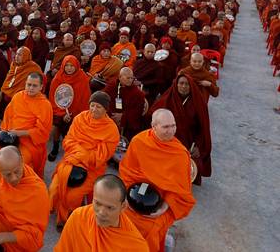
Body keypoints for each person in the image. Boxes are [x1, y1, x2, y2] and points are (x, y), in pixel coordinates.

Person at [120, 109, 196, 252]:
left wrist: (165, 206)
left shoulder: (179, 154)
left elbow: (181, 189)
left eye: (173, 126)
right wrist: (128, 195)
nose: (171, 130)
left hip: (162, 200)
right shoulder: (139, 142)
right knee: (121, 216)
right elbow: (127, 172)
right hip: (135, 194)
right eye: (165, 127)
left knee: (150, 228)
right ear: (153, 127)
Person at [49, 91, 120, 228]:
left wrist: (81, 155)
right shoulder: (80, 118)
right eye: (92, 105)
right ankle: (57, 208)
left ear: (106, 109)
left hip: (92, 168)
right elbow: (68, 140)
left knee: (72, 196)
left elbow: (102, 155)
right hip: (71, 161)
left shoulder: (111, 129)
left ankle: (68, 218)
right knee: (54, 189)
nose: (94, 109)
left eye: (98, 107)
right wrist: (79, 153)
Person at [54, 174, 149, 251]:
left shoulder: (137, 247)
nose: (101, 212)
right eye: (98, 203)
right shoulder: (79, 216)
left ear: (123, 207)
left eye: (110, 207)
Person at [0, 72, 52, 177]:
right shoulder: (18, 97)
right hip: (10, 136)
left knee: (21, 162)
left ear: (41, 87)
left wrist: (19, 133)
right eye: (28, 84)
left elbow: (42, 132)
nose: (30, 88)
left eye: (34, 86)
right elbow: (7, 118)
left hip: (29, 141)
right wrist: (6, 135)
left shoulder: (45, 105)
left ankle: (19, 186)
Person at [150, 74, 212, 185]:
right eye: (181, 83)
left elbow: (203, 128)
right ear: (176, 84)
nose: (184, 86)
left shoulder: (198, 102)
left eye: (187, 84)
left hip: (187, 142)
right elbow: (153, 116)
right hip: (166, 139)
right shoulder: (168, 98)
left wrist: (198, 145)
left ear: (191, 86)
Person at [47, 55, 91, 161]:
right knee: (55, 125)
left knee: (76, 127)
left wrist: (71, 113)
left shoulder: (82, 78)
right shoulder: (58, 78)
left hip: (76, 111)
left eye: (72, 66)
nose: (69, 68)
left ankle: (72, 148)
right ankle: (56, 146)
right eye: (67, 65)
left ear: (76, 66)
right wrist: (62, 114)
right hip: (60, 110)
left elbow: (84, 98)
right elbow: (54, 98)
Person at [103, 67, 146, 140]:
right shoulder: (111, 86)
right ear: (120, 77)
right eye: (128, 78)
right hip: (110, 118)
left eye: (132, 78)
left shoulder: (138, 94)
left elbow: (138, 111)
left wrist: (123, 116)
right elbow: (104, 101)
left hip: (127, 124)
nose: (130, 80)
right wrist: (111, 115)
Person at [0, 47, 43, 117]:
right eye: (16, 54)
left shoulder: (33, 67)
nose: (16, 57)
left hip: (22, 100)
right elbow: (8, 79)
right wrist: (1, 93)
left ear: (26, 56)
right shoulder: (14, 65)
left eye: (20, 55)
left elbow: (40, 83)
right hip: (8, 96)